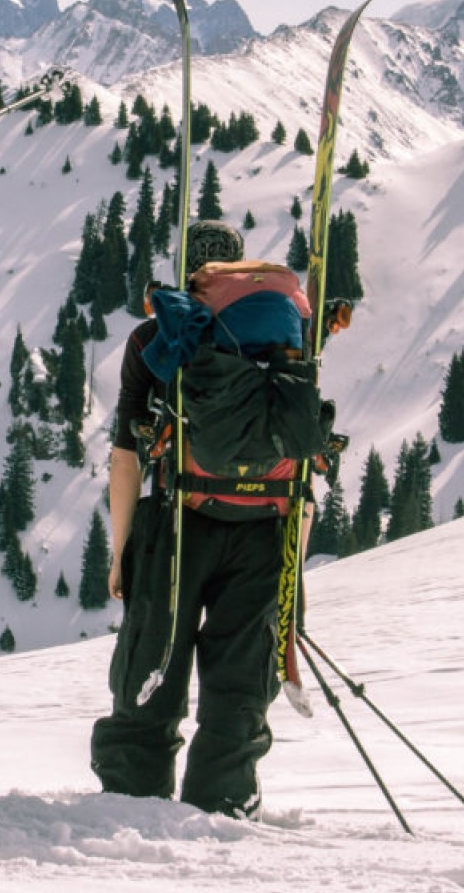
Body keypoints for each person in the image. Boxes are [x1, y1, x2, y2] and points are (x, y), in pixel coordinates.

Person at [89, 219, 320, 819]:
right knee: (242, 678)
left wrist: (121, 553)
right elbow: (301, 448)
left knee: (152, 661)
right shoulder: (290, 336)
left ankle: (133, 799)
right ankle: (224, 799)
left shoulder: (156, 338)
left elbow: (124, 457)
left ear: (191, 271)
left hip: (179, 519)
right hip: (267, 526)